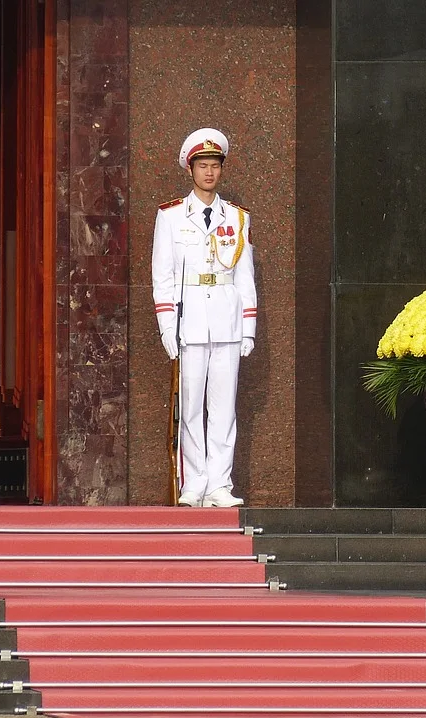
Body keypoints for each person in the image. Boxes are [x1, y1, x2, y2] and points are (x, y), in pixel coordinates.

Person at [151, 128, 257, 507]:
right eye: (202, 166)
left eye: (214, 166)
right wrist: (167, 326)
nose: (209, 173)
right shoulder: (171, 216)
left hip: (227, 321)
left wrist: (248, 328)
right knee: (192, 406)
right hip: (190, 321)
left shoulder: (237, 218)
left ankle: (220, 484)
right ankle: (194, 482)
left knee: (224, 407)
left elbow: (245, 276)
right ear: (190, 169)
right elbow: (162, 276)